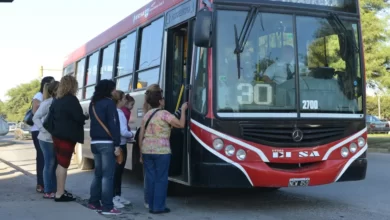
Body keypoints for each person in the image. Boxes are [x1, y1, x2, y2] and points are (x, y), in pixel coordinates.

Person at [139, 85, 188, 214]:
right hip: (161, 151)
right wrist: (183, 110)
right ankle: (158, 207)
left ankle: (150, 204)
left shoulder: (146, 115)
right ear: (160, 101)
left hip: (146, 150)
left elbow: (141, 135)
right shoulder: (164, 114)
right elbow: (181, 124)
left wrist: (141, 152)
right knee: (161, 178)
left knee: (150, 178)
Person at [50, 75, 87, 202]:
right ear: (73, 86)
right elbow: (78, 117)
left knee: (60, 163)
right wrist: (85, 116)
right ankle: (60, 193)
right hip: (67, 136)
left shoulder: (57, 100)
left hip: (56, 135)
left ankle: (59, 190)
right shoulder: (72, 100)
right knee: (63, 164)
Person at [87, 79, 122, 216]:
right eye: (113, 89)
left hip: (95, 142)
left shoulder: (93, 104)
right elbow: (113, 125)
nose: (114, 92)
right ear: (108, 90)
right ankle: (107, 206)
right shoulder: (109, 103)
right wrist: (117, 144)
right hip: (107, 143)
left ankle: (93, 202)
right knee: (108, 176)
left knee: (98, 174)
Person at [32, 80, 59, 199]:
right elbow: (35, 117)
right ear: (55, 90)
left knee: (54, 164)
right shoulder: (47, 102)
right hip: (45, 139)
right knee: (49, 164)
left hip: (56, 138)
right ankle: (48, 190)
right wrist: (43, 130)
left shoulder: (59, 102)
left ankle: (54, 188)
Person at [112, 90, 133, 208]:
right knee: (118, 172)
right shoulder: (120, 113)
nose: (125, 101)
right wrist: (131, 134)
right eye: (124, 99)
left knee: (117, 172)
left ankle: (117, 195)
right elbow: (123, 131)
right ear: (119, 101)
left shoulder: (113, 112)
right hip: (121, 145)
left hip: (117, 144)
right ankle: (114, 196)